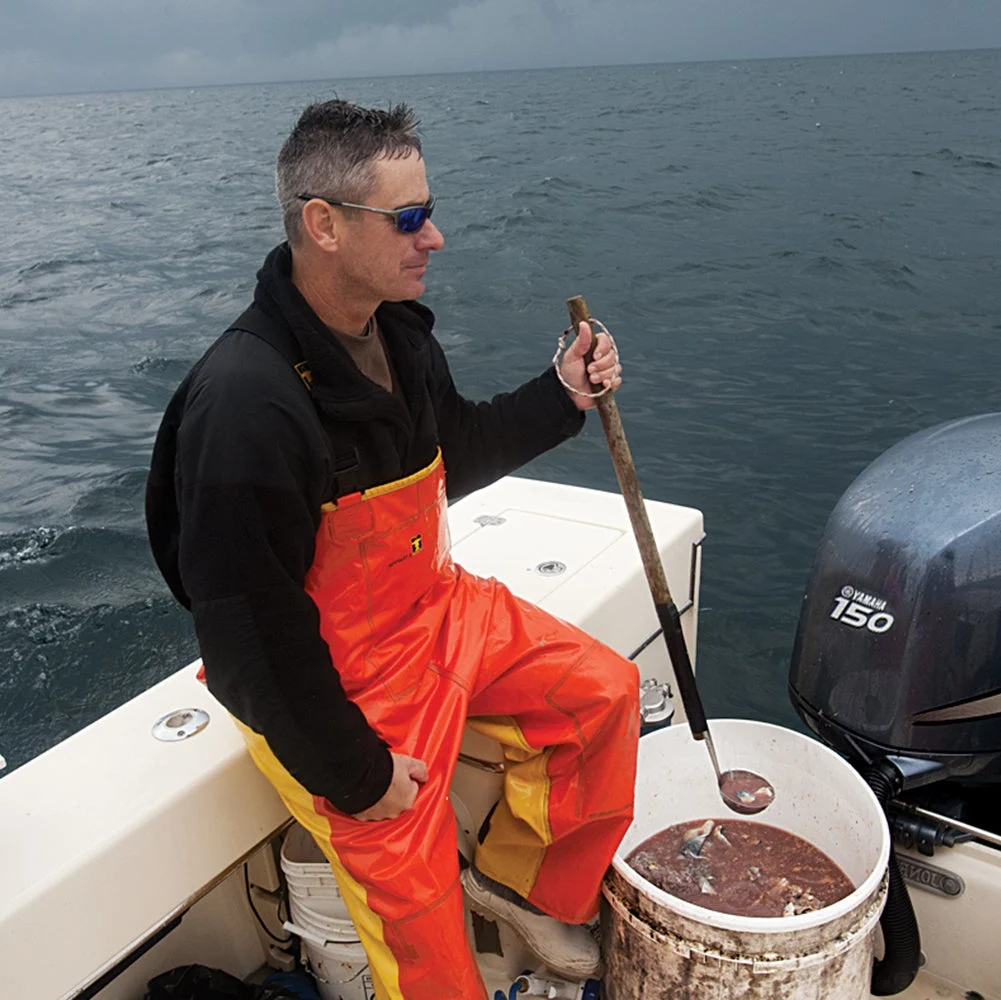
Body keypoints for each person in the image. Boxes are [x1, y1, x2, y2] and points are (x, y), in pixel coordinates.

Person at [146, 100, 639, 1000]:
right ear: (323, 225)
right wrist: (358, 774)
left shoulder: (399, 333)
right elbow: (249, 640)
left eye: (429, 210)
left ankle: (518, 887)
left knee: (604, 695)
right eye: (409, 218)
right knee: (431, 956)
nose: (435, 237)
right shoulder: (247, 405)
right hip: (338, 684)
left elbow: (455, 451)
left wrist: (561, 393)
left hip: (439, 615)